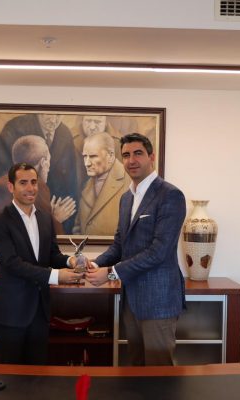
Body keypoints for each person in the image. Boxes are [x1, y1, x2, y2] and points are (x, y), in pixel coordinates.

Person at [85, 133, 186, 366]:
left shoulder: (170, 195)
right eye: (126, 155)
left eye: (138, 153)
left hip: (158, 301)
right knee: (136, 371)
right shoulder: (126, 199)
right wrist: (95, 263)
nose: (131, 160)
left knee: (159, 373)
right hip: (131, 301)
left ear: (152, 157)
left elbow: (158, 252)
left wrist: (111, 273)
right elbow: (119, 245)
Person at [0, 163, 84, 365]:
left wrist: (70, 260)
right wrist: (56, 276)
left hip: (40, 313)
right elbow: (12, 263)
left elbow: (52, 255)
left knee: (38, 375)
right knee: (9, 376)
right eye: (23, 183)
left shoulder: (45, 219)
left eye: (34, 182)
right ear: (11, 187)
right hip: (12, 314)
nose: (30, 188)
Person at [0, 113, 78, 233]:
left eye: (58, 115)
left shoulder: (64, 134)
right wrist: (55, 220)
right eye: (49, 114)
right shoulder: (15, 127)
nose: (53, 119)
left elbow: (70, 179)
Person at [73, 132, 131, 236]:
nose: (87, 163)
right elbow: (78, 227)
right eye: (85, 156)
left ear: (110, 156)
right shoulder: (87, 185)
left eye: (93, 156)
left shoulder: (130, 182)